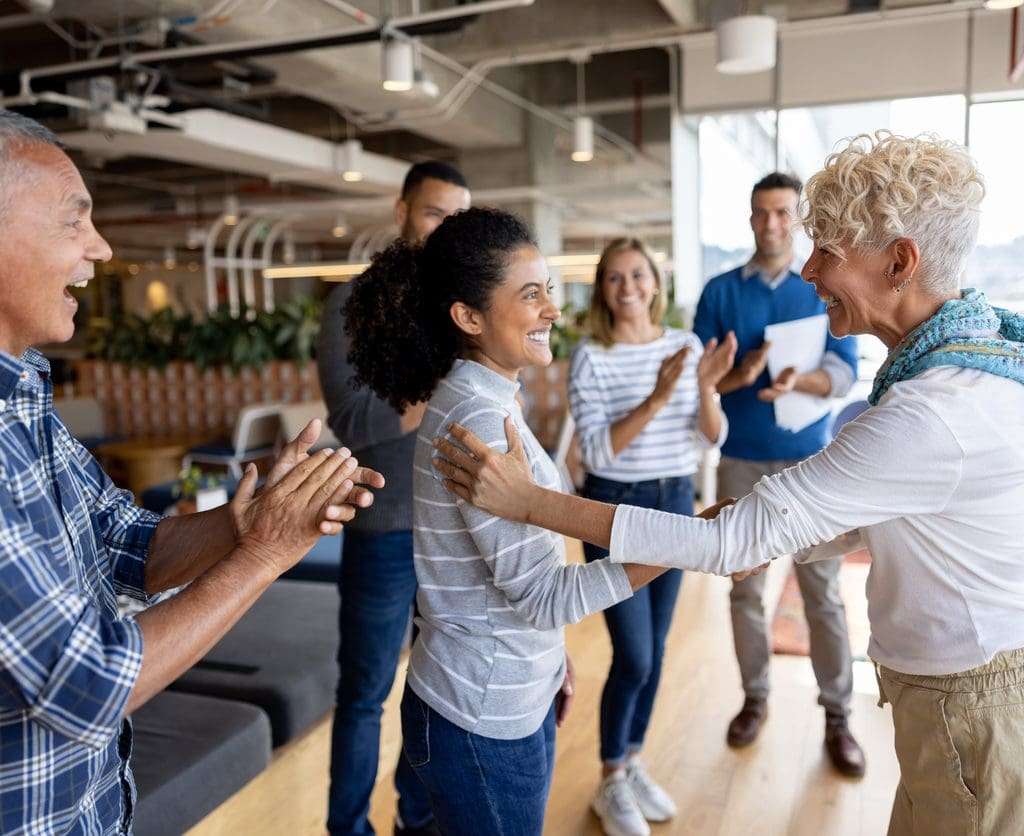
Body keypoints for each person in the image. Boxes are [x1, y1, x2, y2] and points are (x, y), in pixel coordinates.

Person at [432, 132, 1024, 836]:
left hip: (973, 713)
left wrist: (532, 502)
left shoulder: (931, 409)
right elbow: (887, 516)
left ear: (899, 262)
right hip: (960, 707)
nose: (809, 268)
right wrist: (744, 529)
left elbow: (734, 534)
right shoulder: (963, 366)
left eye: (828, 251)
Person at [0, 109, 384, 834]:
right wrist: (263, 554)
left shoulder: (21, 394)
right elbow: (88, 687)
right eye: (74, 222)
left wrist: (249, 519)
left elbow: (125, 544)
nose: (101, 248)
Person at [344, 207, 736, 836]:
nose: (552, 309)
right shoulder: (477, 419)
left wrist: (549, 660)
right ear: (469, 317)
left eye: (548, 289)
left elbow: (516, 572)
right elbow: (546, 594)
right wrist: (690, 543)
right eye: (531, 295)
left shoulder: (489, 397)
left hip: (505, 690)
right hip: (481, 715)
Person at [692, 171, 864, 775]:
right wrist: (741, 376)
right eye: (762, 212)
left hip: (813, 463)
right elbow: (698, 379)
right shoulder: (719, 293)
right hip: (741, 461)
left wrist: (800, 381)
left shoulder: (821, 286)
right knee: (744, 589)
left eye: (783, 212)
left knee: (822, 593)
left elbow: (844, 370)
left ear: (798, 219)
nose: (771, 223)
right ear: (750, 218)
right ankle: (755, 698)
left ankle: (838, 714)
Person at [317, 160, 471, 836]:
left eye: (457, 218)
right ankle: (348, 828)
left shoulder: (464, 306)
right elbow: (356, 422)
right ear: (403, 211)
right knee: (364, 695)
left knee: (435, 694)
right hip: (383, 529)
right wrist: (441, 379)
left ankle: (418, 820)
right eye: (435, 213)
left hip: (456, 529)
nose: (445, 230)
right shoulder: (351, 305)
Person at [568, 238, 734, 836]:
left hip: (674, 501)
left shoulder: (683, 346)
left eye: (637, 275)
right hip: (615, 509)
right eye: (615, 278)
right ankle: (610, 777)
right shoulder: (592, 356)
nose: (629, 287)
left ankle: (631, 760)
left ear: (655, 283)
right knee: (634, 653)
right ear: (602, 290)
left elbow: (711, 436)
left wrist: (706, 388)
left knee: (656, 649)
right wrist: (659, 396)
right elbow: (596, 452)